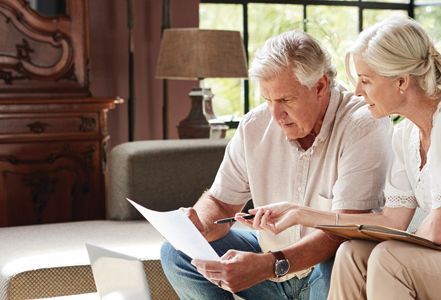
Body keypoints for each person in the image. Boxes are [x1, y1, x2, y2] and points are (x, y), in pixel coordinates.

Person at [240, 17, 441, 299]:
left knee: (388, 258)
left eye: (366, 80)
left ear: (401, 82)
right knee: (353, 254)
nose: (356, 91)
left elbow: (439, 231)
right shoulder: (406, 134)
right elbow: (392, 222)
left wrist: (391, 252)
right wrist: (301, 214)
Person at [159, 31, 393, 300]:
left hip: (323, 270)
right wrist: (199, 226)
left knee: (343, 254)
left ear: (320, 86)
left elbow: (343, 230)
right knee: (176, 252)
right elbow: (221, 203)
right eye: (268, 100)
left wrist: (270, 264)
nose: (275, 115)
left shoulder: (363, 122)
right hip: (272, 267)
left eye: (285, 100)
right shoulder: (255, 126)